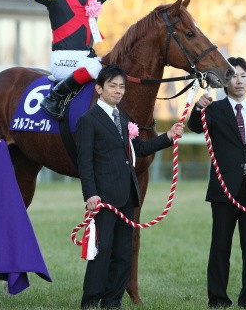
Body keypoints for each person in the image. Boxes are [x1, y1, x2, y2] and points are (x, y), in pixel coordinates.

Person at [77, 64, 183, 309]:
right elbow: (85, 162)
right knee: (102, 251)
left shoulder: (123, 118)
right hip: (103, 197)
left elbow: (139, 150)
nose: (117, 91)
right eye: (112, 86)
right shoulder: (88, 121)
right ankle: (91, 300)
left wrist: (168, 136)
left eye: (121, 86)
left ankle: (112, 300)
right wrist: (90, 193)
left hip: (127, 195)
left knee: (124, 251)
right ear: (99, 88)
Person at [187, 57, 246, 309]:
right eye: (233, 76)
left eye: (243, 76)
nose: (238, 81)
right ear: (225, 81)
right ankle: (217, 298)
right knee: (220, 247)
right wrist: (199, 107)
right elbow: (194, 127)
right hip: (224, 190)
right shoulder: (214, 110)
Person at [26, 0, 134, 120]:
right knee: (96, 68)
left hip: (86, 58)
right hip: (63, 60)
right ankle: (54, 97)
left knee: (111, 67)